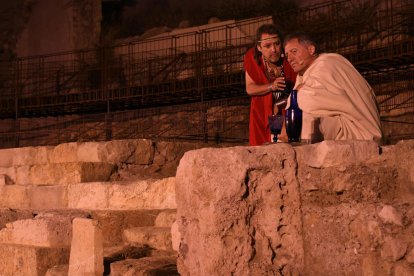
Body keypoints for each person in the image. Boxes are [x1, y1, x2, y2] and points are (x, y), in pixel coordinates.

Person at [283, 32, 382, 142]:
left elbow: (308, 101)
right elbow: (293, 105)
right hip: (341, 123)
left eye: (294, 52)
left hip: (358, 129)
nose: (289, 59)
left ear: (311, 49)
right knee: (280, 130)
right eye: (287, 55)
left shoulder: (327, 63)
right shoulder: (303, 75)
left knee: (305, 124)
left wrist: (297, 93)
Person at [244, 24, 297, 146]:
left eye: (277, 44)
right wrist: (271, 86)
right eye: (267, 46)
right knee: (265, 148)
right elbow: (250, 88)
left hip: (287, 109)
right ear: (259, 47)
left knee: (287, 146)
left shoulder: (289, 56)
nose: (274, 49)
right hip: (263, 111)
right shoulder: (252, 57)